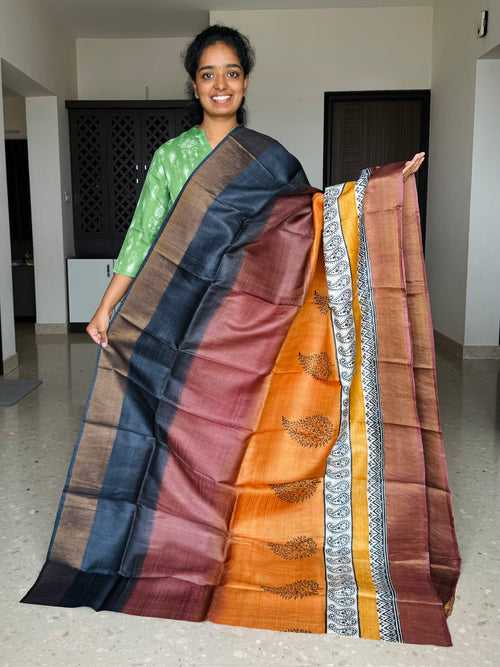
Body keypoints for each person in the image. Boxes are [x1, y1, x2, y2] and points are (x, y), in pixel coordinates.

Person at [86, 24, 424, 349]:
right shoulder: (171, 157)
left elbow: (313, 219)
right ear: (194, 84)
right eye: (208, 75)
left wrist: (383, 189)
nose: (220, 85)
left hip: (251, 319)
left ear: (245, 82)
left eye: (231, 73)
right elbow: (143, 236)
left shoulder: (267, 158)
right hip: (183, 314)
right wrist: (106, 307)